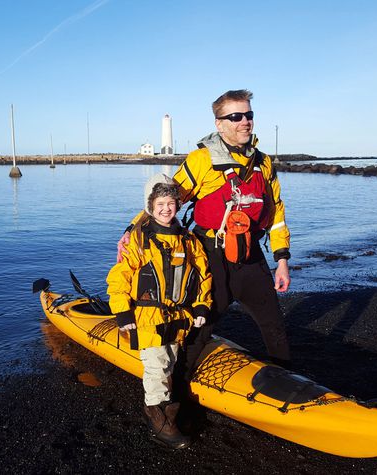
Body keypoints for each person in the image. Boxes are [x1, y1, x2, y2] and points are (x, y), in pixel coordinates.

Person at [117, 89, 292, 386]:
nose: (245, 122)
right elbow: (165, 200)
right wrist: (131, 231)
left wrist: (282, 260)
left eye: (249, 115)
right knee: (201, 327)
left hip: (250, 256)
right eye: (235, 116)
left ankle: (290, 383)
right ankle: (177, 393)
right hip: (211, 255)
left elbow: (276, 215)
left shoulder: (264, 163)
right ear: (219, 123)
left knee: (274, 325)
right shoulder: (201, 160)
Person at [106, 173, 212, 449]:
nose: (166, 209)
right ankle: (157, 418)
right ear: (150, 207)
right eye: (160, 204)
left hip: (178, 317)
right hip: (148, 316)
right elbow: (120, 278)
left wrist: (202, 304)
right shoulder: (139, 242)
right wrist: (122, 311)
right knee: (156, 367)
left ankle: (169, 411)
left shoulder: (188, 240)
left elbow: (203, 275)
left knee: (170, 363)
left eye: (171, 203)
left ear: (178, 205)